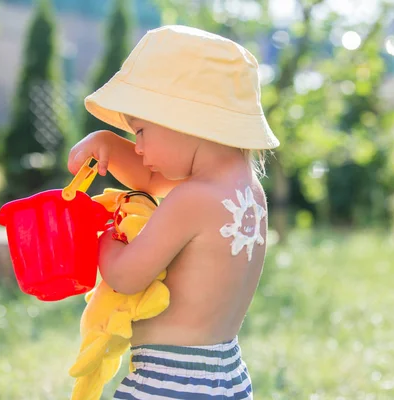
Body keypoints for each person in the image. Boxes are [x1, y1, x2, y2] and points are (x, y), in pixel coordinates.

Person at [67, 25, 279, 399]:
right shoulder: (246, 192)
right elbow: (153, 179)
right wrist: (107, 145)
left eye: (141, 131)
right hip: (227, 376)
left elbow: (126, 277)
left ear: (184, 119)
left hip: (169, 381)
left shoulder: (191, 199)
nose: (138, 147)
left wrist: (104, 234)